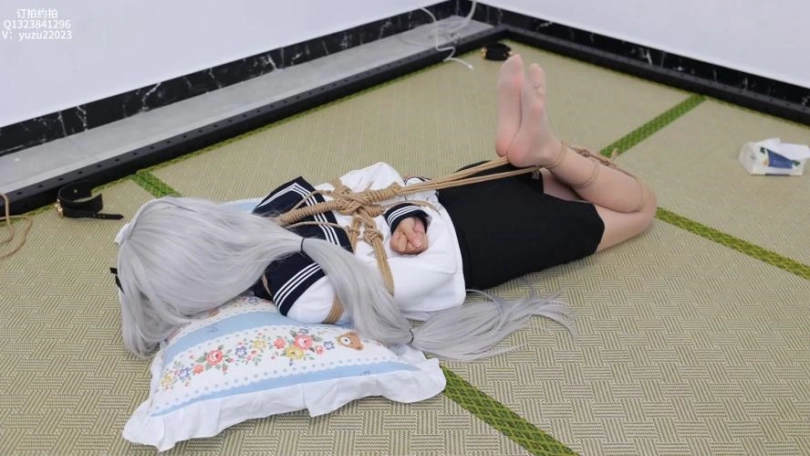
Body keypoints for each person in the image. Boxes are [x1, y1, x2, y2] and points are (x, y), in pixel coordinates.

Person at [113, 55, 656, 361]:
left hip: (480, 245)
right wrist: (406, 213)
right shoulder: (275, 206)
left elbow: (421, 282)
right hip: (442, 193)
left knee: (640, 211)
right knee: (571, 188)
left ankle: (548, 150)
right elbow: (372, 179)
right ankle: (531, 152)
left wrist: (407, 226)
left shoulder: (299, 297)